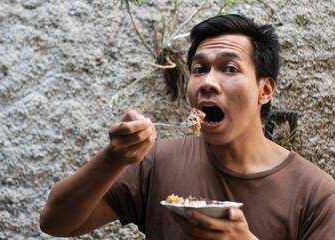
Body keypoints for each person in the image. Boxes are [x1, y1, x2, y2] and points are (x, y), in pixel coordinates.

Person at [40, 14, 335, 239]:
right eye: (199, 69)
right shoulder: (154, 162)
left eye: (230, 68)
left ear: (265, 90)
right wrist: (113, 158)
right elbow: (55, 222)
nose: (207, 82)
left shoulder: (318, 195)